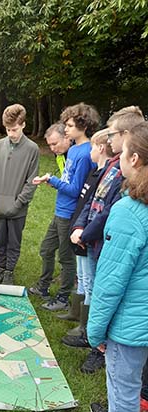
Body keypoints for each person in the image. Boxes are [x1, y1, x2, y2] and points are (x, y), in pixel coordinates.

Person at [83, 122, 148, 412]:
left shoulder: (127, 212)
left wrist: (95, 331)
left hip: (132, 320)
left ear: (134, 159)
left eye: (122, 152)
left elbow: (110, 284)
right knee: (130, 378)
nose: (117, 157)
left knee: (124, 381)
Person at [65, 107, 145, 365]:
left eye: (112, 135)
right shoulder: (112, 166)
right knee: (91, 284)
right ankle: (93, 337)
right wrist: (80, 227)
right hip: (94, 239)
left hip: (103, 243)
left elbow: (109, 212)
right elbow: (91, 200)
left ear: (127, 135)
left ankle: (97, 345)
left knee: (101, 288)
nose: (108, 139)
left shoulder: (128, 178)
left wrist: (85, 234)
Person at [29, 103, 100, 311]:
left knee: (66, 258)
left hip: (69, 213)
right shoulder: (75, 150)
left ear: (83, 126)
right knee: (46, 249)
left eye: (69, 125)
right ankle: (43, 286)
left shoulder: (86, 152)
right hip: (60, 210)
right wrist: (55, 181)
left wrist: (52, 180)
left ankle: (62, 297)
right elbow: (69, 180)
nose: (66, 128)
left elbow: (77, 189)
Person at [0, 103, 39, 285]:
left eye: (14, 129)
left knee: (14, 242)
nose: (11, 134)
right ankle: (0, 268)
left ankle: (9, 271)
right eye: (8, 130)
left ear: (23, 124)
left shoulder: (32, 149)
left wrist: (18, 203)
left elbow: (31, 182)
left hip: (17, 208)